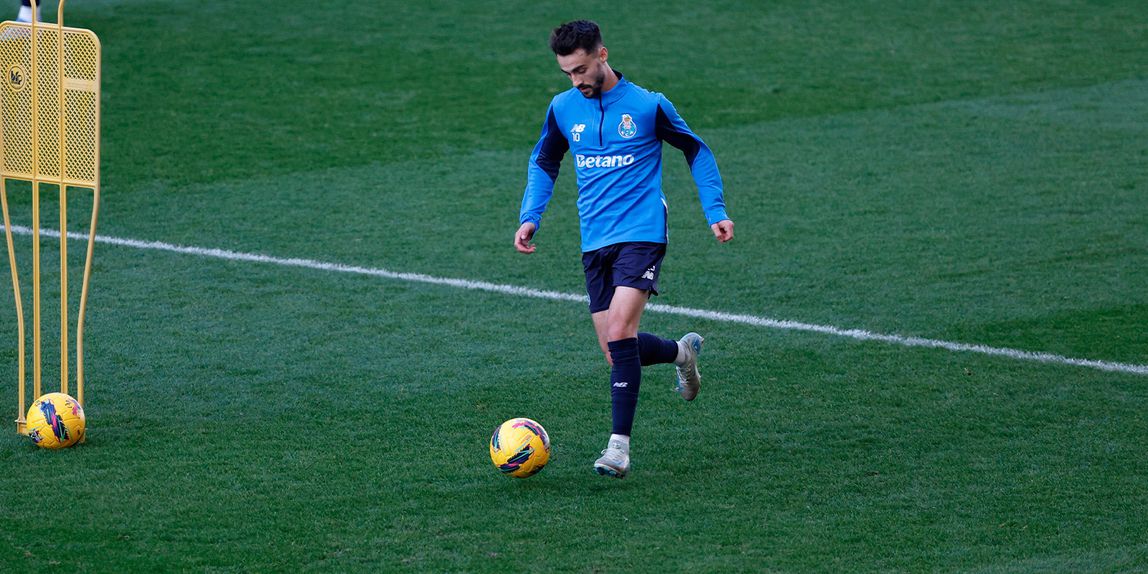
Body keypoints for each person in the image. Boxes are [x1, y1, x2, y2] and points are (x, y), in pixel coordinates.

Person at [514, 20, 734, 479]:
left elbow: (696, 150)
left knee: (619, 329)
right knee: (617, 352)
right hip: (594, 239)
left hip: (642, 231)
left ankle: (618, 449)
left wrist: (714, 210)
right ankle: (681, 353)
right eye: (567, 73)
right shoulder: (563, 108)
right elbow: (545, 160)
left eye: (581, 70)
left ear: (603, 55)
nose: (576, 80)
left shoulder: (648, 105)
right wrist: (531, 215)